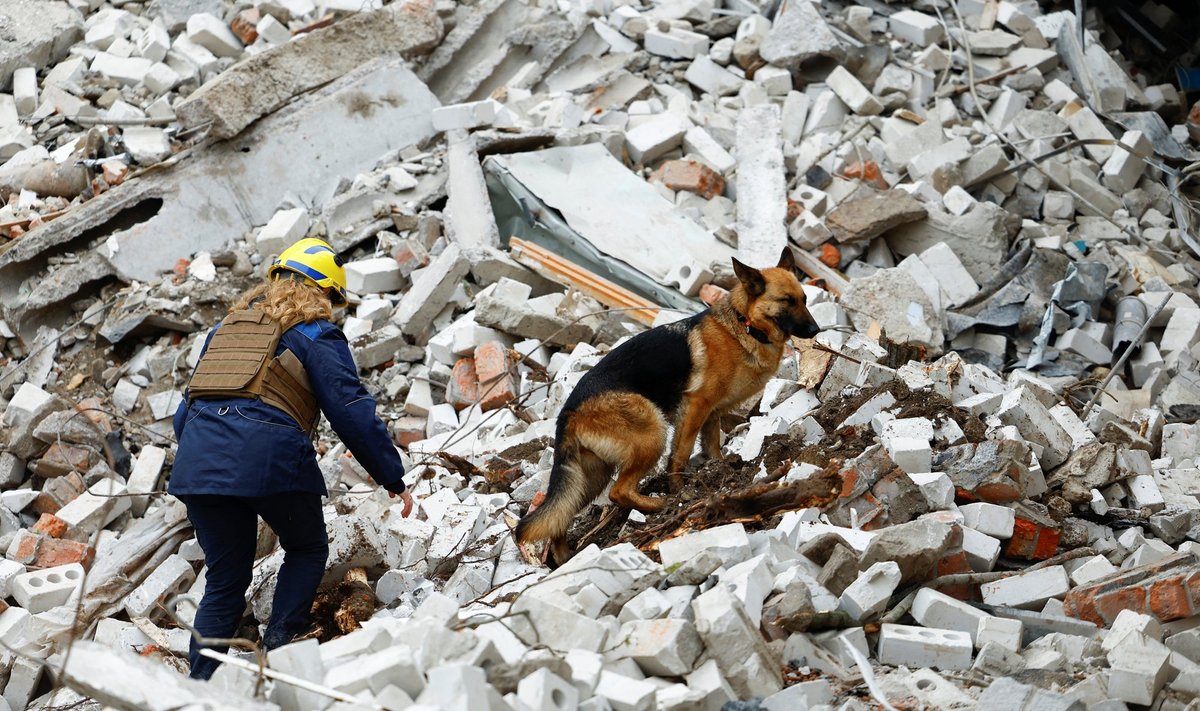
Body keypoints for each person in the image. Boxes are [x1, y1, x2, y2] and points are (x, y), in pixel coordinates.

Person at [170, 237, 413, 680]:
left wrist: (204, 465)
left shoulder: (225, 332)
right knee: (306, 547)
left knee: (225, 579)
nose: (331, 306)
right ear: (321, 290)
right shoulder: (316, 333)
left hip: (198, 463)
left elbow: (185, 413)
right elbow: (349, 408)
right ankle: (280, 654)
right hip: (270, 456)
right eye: (331, 298)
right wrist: (391, 476)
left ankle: (199, 686)